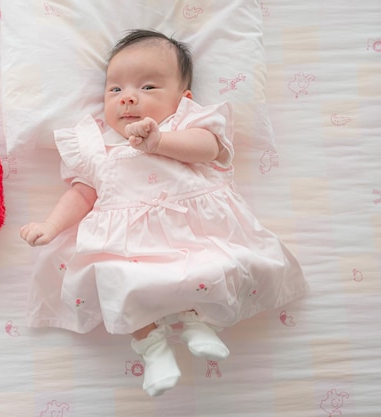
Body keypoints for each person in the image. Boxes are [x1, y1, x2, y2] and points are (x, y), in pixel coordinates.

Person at [20, 29, 307, 397]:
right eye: (116, 90)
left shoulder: (188, 125)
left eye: (149, 88)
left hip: (194, 232)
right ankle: (153, 349)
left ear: (183, 98)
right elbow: (81, 194)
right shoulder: (95, 148)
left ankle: (198, 323)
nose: (128, 99)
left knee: (214, 264)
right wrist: (50, 225)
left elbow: (210, 149)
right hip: (128, 245)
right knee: (117, 279)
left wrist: (159, 141)